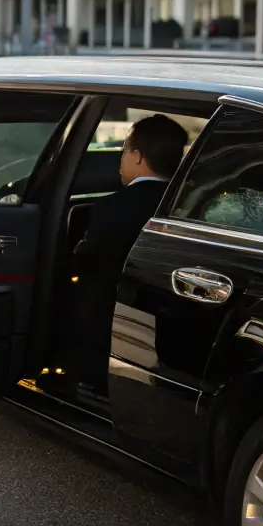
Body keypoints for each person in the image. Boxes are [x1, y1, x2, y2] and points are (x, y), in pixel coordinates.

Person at [68, 114, 187, 391]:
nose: (120, 160)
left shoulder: (111, 208)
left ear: (136, 156)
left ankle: (85, 378)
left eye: (123, 152)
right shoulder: (187, 205)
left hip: (114, 326)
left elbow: (88, 264)